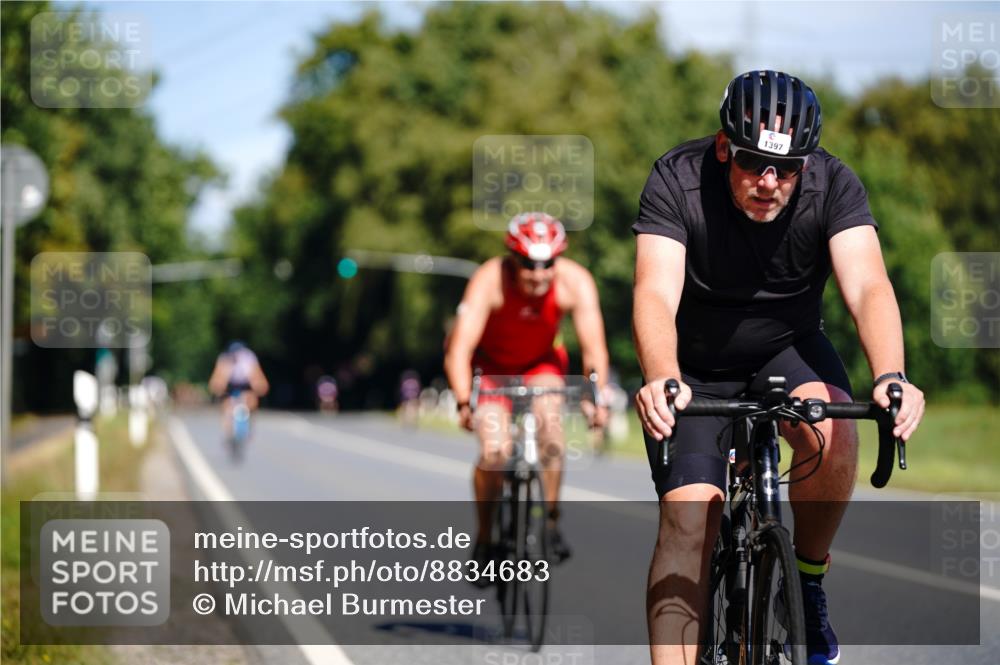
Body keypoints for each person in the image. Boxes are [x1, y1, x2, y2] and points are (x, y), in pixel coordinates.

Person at [632, 71, 926, 665]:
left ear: (805, 163)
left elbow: (868, 285)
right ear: (724, 147)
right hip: (694, 367)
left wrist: (891, 375)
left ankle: (808, 583)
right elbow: (654, 292)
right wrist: (662, 374)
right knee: (689, 521)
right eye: (751, 163)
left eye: (787, 168)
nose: (768, 182)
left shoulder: (834, 184)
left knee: (834, 433)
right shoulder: (677, 178)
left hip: (786, 348)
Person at [444, 212, 611, 569]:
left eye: (548, 264)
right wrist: (463, 400)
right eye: (528, 264)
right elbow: (458, 350)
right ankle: (485, 538)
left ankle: (550, 521)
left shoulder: (575, 282)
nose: (538, 274)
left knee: (551, 428)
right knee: (495, 452)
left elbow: (593, 349)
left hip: (541, 364)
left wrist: (595, 397)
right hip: (492, 368)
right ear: (511, 258)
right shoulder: (489, 279)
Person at [208, 341, 270, 439]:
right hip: (230, 385)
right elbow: (217, 378)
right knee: (226, 405)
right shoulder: (224, 358)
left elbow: (257, 376)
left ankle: (249, 423)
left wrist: (259, 387)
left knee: (252, 401)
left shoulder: (249, 358)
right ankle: (228, 430)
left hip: (245, 385)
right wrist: (219, 387)